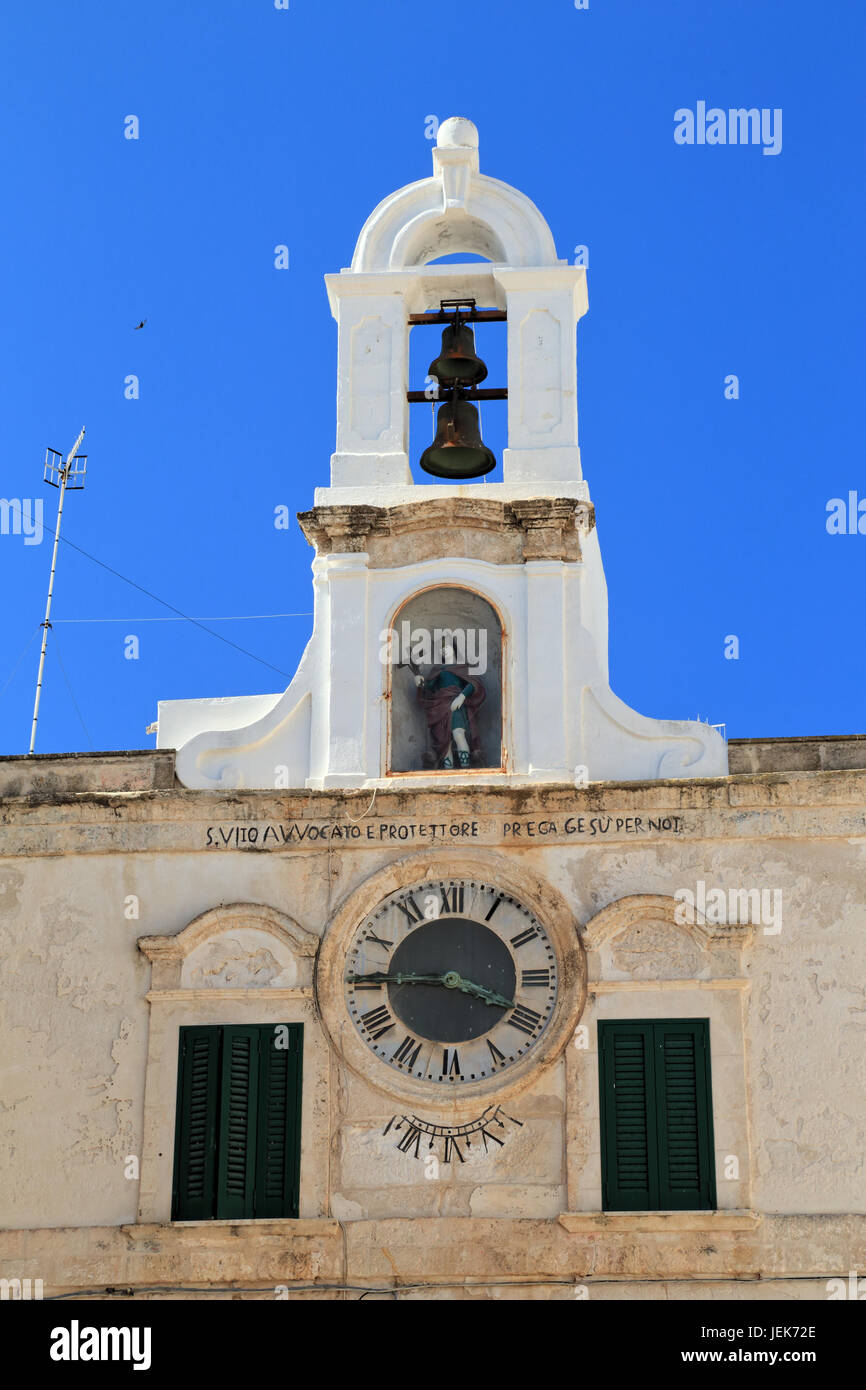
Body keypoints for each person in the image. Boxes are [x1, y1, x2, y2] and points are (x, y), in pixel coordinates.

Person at [412, 637, 485, 769]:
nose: (443, 650)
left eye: (446, 647)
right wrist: (420, 682)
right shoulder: (438, 670)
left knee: (458, 734)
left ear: (454, 649)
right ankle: (448, 769)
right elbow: (429, 688)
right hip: (440, 706)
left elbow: (473, 683)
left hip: (455, 704)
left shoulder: (462, 667)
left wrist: (462, 697)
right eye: (441, 649)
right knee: (444, 741)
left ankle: (465, 768)